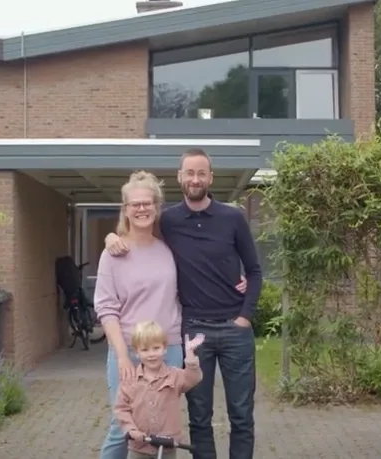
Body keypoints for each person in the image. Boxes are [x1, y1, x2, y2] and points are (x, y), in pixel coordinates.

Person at [105, 148, 263, 459]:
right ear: (180, 178)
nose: (195, 179)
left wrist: (245, 316)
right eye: (189, 173)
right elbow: (138, 225)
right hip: (193, 333)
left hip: (235, 329)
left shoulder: (232, 218)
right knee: (199, 418)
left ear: (210, 177)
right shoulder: (170, 221)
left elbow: (255, 271)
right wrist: (111, 237)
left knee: (242, 415)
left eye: (201, 173)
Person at [113, 321, 204, 459]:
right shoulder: (129, 381)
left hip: (167, 445)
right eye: (145, 350)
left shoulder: (174, 376)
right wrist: (131, 430)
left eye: (156, 348)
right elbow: (121, 409)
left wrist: (190, 356)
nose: (151, 354)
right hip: (139, 448)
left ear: (165, 348)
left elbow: (193, 378)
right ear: (137, 352)